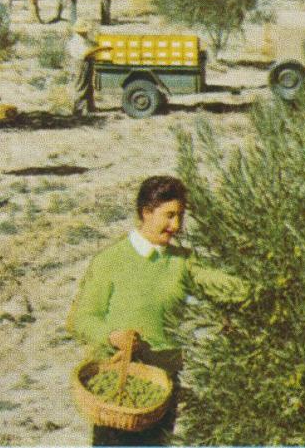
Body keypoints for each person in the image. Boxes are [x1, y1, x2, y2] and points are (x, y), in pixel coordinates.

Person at [68, 175, 248, 446]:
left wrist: (265, 286)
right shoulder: (110, 260)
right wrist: (112, 335)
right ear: (146, 212)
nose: (176, 226)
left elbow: (224, 286)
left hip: (162, 386)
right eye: (169, 215)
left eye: (181, 216)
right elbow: (81, 318)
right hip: (117, 384)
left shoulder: (182, 262)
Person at [67, 19, 105, 115]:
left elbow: (91, 45)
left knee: (89, 85)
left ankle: (90, 107)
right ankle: (78, 110)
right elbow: (84, 54)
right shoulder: (76, 41)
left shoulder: (84, 39)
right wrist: (96, 50)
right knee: (81, 85)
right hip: (80, 63)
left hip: (87, 62)